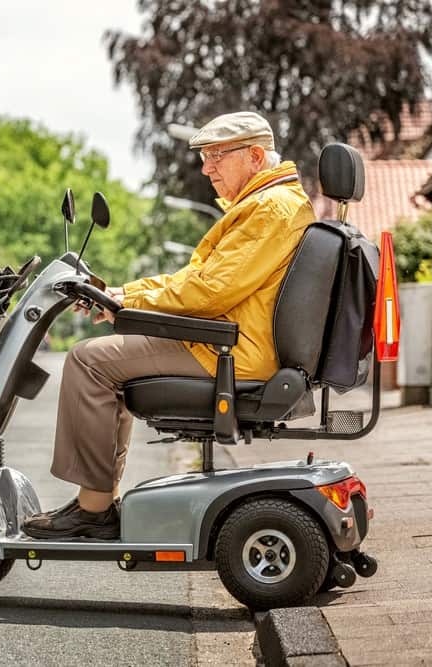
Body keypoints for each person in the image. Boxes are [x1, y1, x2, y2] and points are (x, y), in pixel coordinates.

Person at [22, 111, 316, 539]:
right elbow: (200, 284)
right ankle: (96, 502)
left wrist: (130, 299)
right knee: (108, 359)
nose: (205, 167)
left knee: (89, 360)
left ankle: (94, 510)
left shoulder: (269, 208)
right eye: (204, 156)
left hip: (231, 350)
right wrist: (123, 296)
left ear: (255, 156)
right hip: (233, 341)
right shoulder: (268, 204)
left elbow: (210, 291)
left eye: (216, 155)